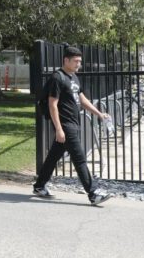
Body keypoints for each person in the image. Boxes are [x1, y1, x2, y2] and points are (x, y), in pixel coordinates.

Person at [32, 46, 113, 206]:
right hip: (65, 125)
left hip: (73, 124)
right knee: (79, 158)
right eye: (75, 61)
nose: (78, 64)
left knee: (53, 156)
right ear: (66, 60)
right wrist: (59, 129)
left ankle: (39, 186)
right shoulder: (57, 78)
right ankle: (93, 193)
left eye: (80, 61)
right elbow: (52, 105)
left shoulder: (74, 77)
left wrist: (99, 113)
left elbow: (82, 100)